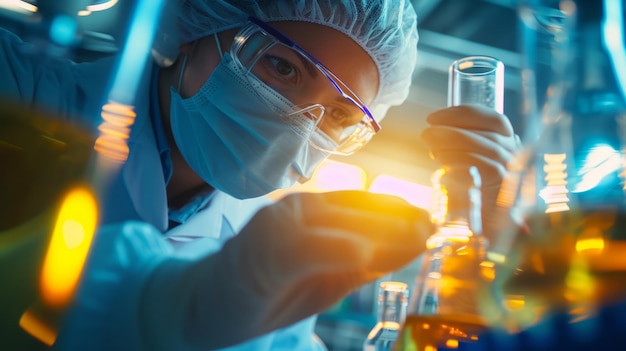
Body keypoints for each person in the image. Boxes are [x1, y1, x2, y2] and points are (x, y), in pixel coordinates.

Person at [0, 0, 519, 350]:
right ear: (191, 31)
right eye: (284, 69)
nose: (299, 124)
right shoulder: (19, 91)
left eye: (340, 116)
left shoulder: (273, 252)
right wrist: (168, 305)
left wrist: (492, 257)